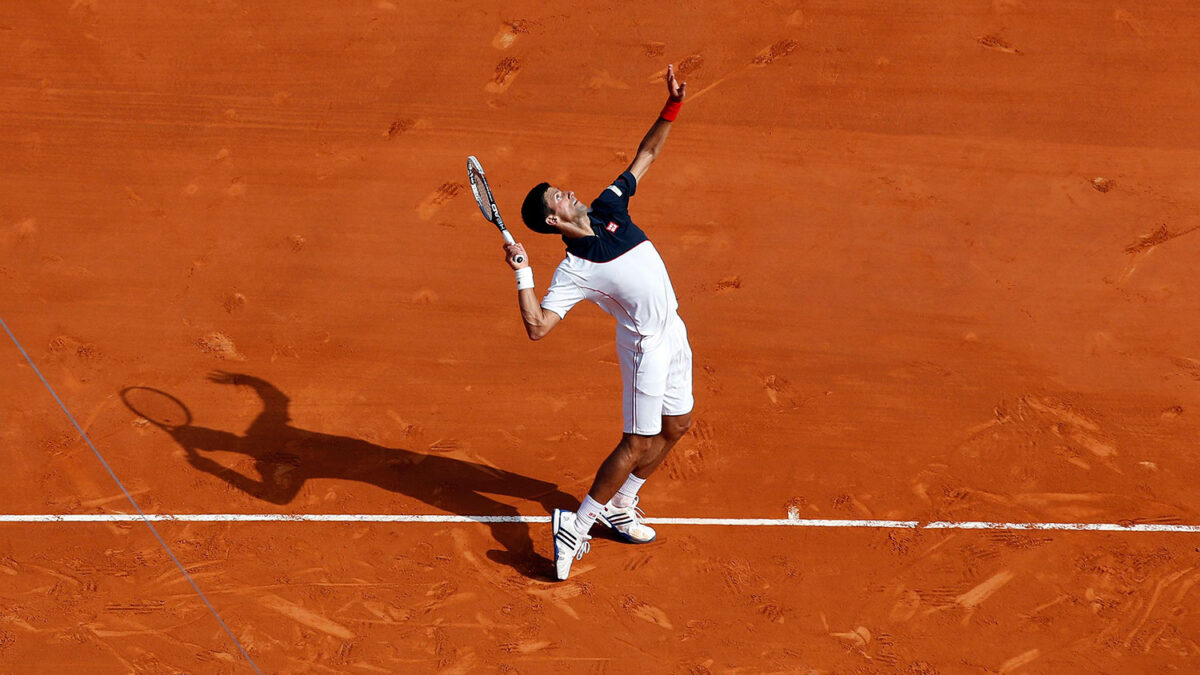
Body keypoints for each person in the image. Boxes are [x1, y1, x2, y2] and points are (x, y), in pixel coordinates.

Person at [503, 64, 693, 581]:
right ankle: (576, 523)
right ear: (552, 221)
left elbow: (646, 154)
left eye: (562, 189)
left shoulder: (611, 205)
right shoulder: (574, 271)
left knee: (677, 426)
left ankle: (620, 505)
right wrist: (523, 274)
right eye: (558, 197)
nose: (567, 192)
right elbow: (538, 326)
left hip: (673, 331)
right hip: (644, 347)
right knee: (636, 442)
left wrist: (671, 104)